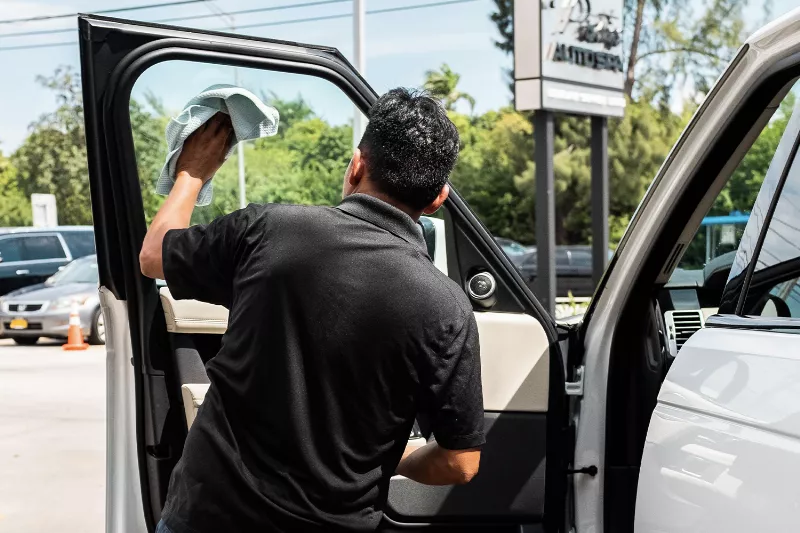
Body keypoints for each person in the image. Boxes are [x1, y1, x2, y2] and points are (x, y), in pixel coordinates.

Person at [140, 88, 484, 533]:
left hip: (208, 515)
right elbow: (461, 464)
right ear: (438, 198)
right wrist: (395, 457)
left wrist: (192, 171)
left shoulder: (269, 230)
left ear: (356, 167)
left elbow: (153, 256)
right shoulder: (448, 307)